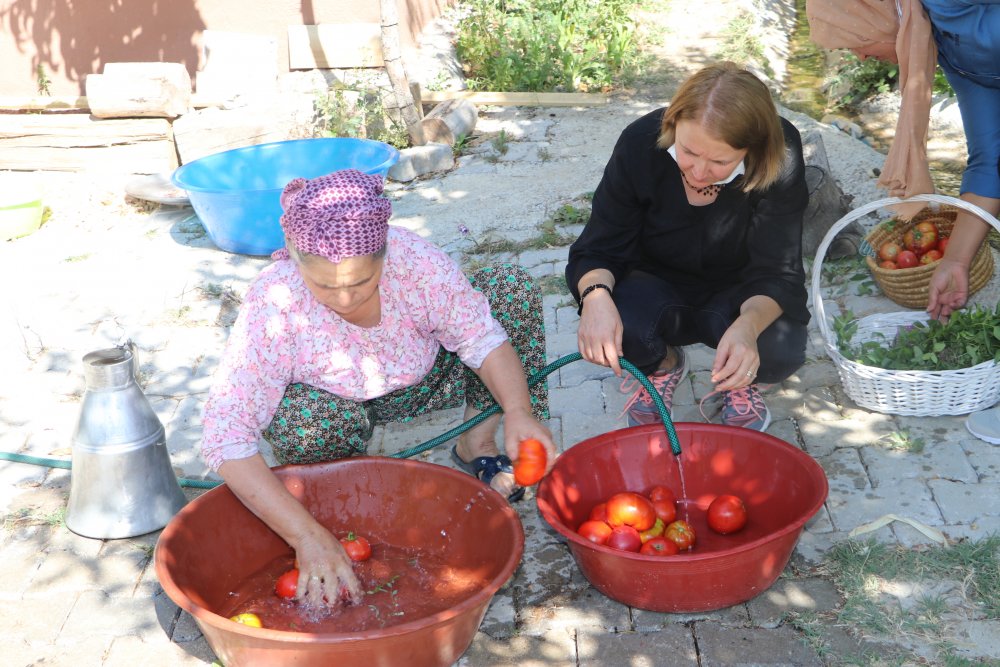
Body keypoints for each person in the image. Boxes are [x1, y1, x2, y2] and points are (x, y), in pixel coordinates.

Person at [200, 168, 556, 609]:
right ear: (292, 258)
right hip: (336, 407)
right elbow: (224, 434)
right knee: (301, 420)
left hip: (426, 378)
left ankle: (476, 442)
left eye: (361, 282)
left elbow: (480, 338)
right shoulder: (274, 302)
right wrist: (304, 535)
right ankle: (335, 510)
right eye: (326, 286)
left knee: (509, 291)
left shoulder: (414, 262)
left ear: (384, 256)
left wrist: (519, 410)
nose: (345, 299)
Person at [565, 62, 810, 432]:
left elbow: (778, 271)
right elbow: (601, 245)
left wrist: (747, 327)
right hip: (651, 284)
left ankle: (740, 380)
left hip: (739, 291)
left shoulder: (780, 156)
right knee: (616, 323)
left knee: (781, 346)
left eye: (720, 161)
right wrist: (595, 298)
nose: (698, 172)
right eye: (689, 151)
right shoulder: (639, 143)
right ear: (671, 126)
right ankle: (662, 365)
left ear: (752, 150)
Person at [808, 0, 1000, 443]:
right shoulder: (948, 48)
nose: (857, 57)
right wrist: (953, 261)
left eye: (855, 41)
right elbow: (989, 164)